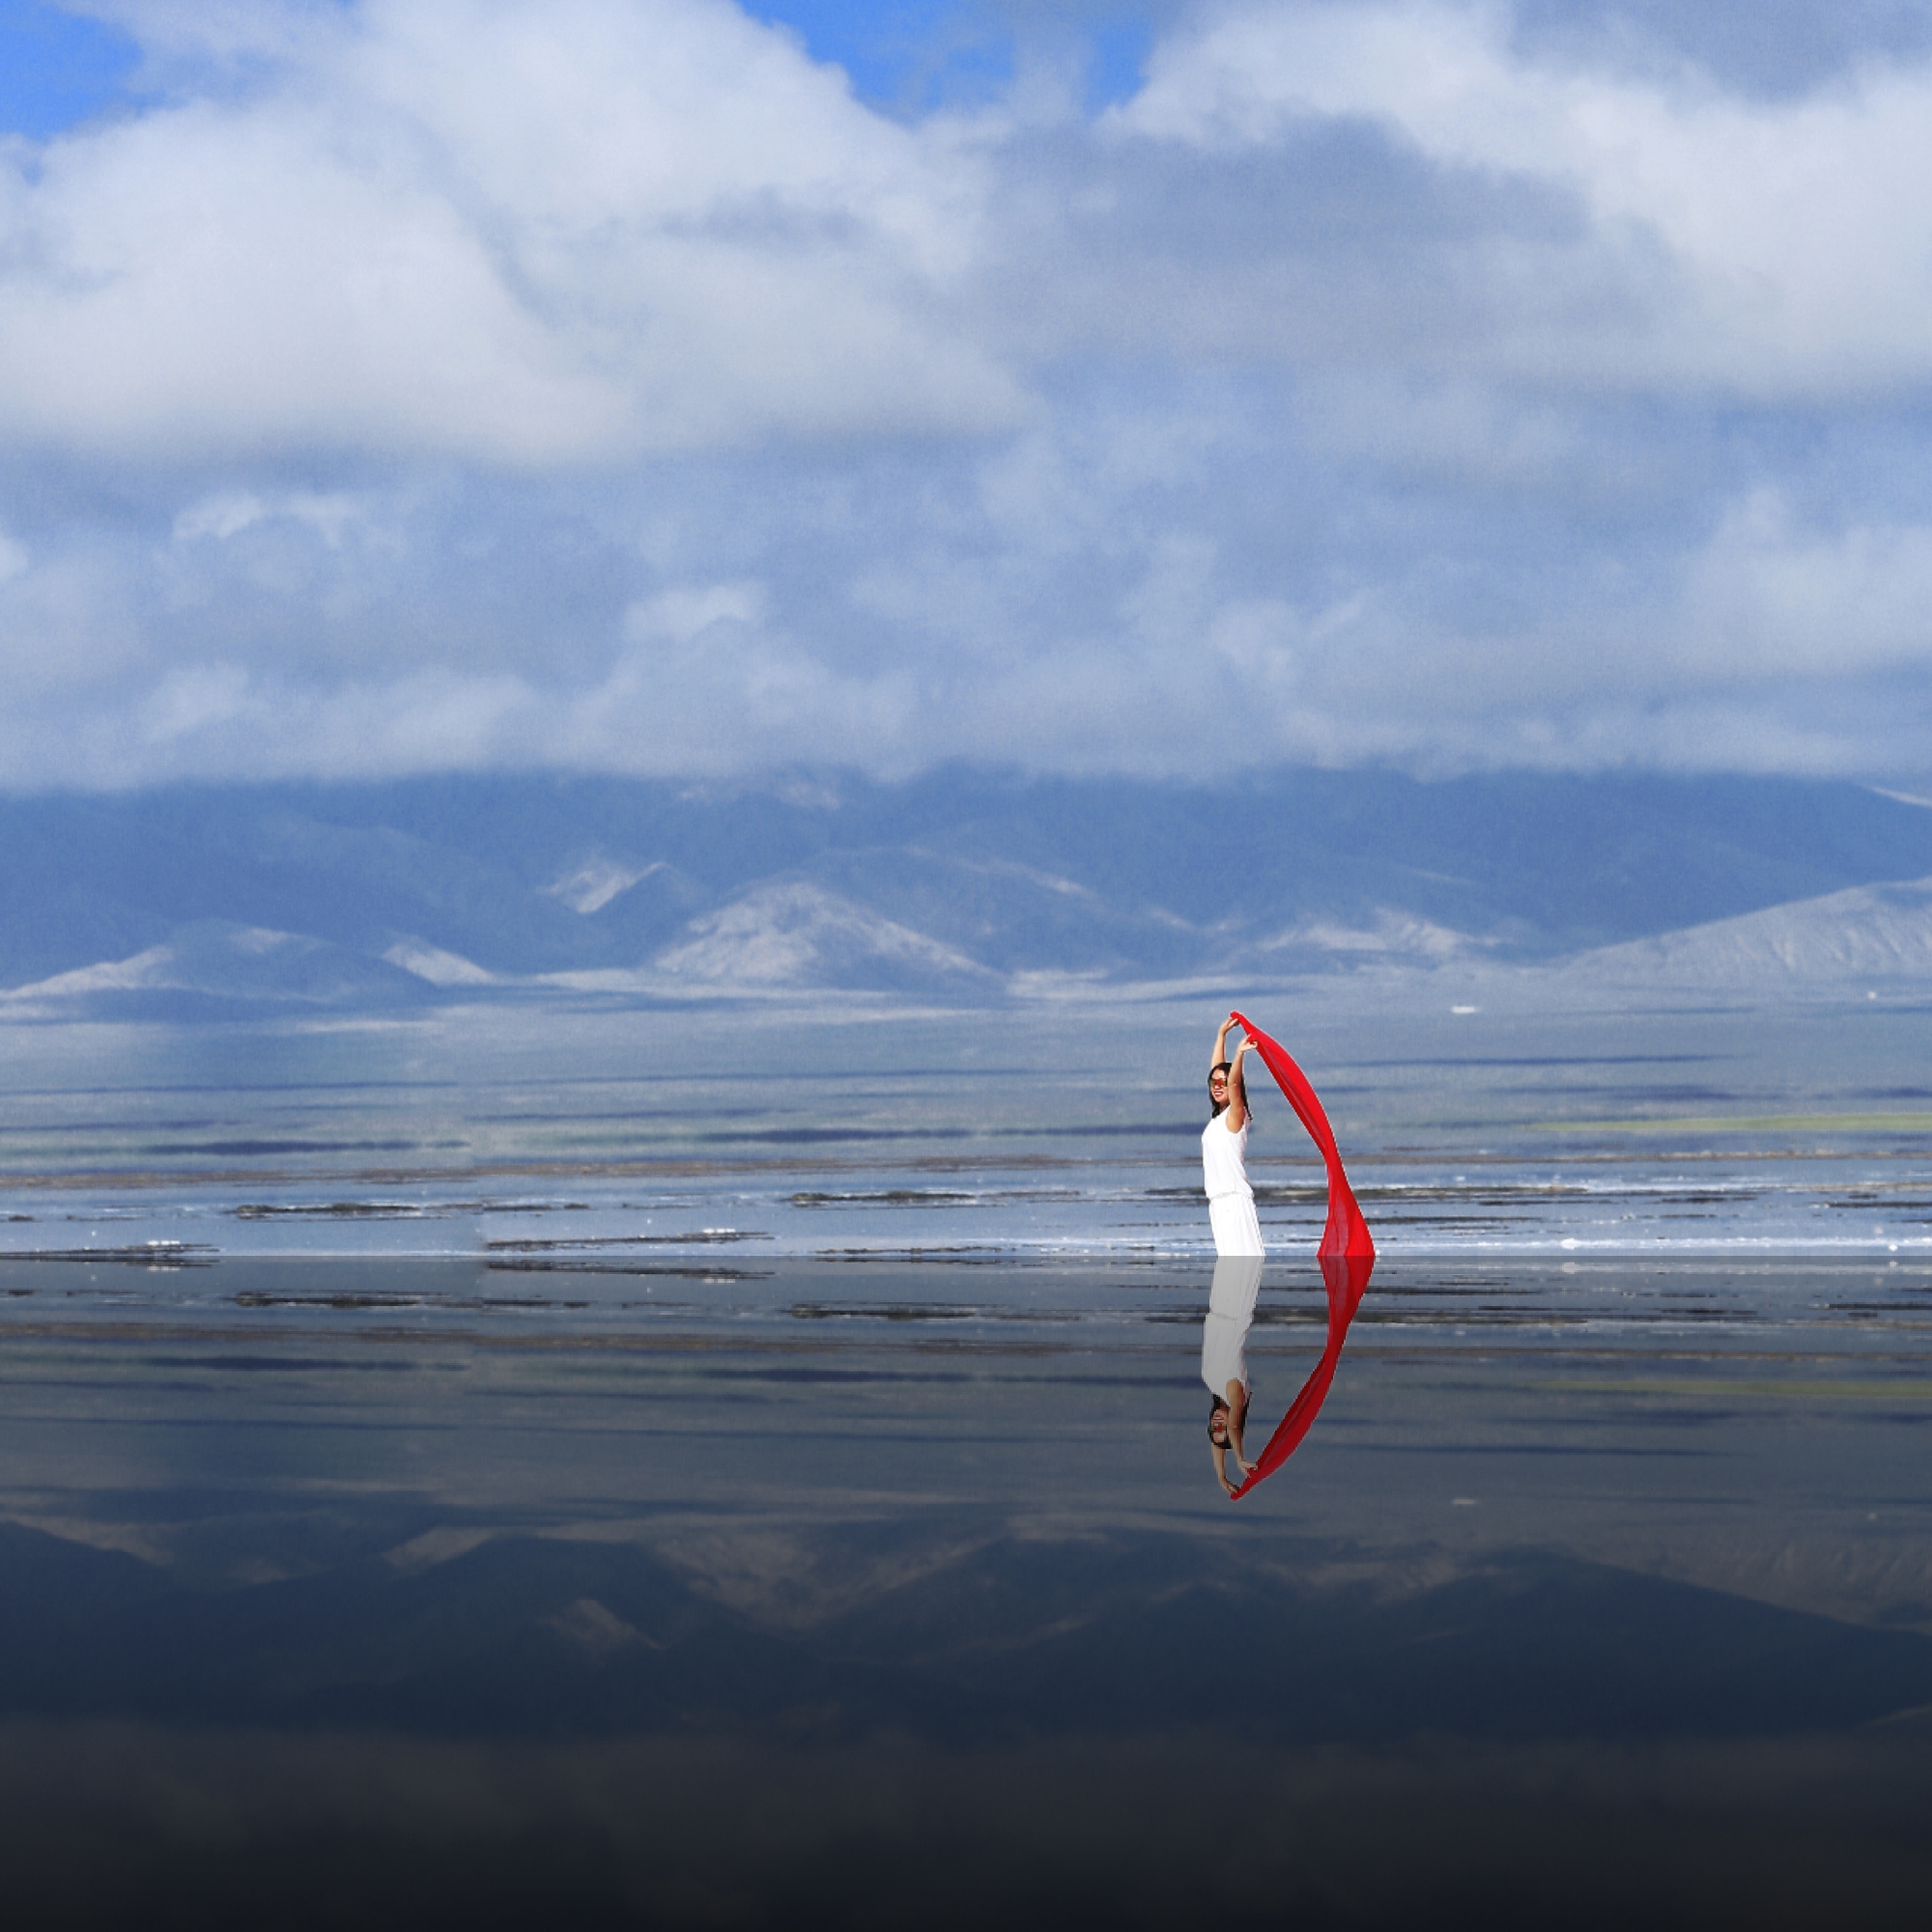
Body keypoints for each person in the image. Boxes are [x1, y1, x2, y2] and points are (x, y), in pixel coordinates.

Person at [1203, 1014, 1263, 1258]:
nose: (1217, 1085)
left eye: (1222, 1083)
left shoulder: (1236, 1115)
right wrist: (1221, 1036)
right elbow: (1219, 1073)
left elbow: (1235, 1084)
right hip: (1218, 1204)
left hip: (1235, 1203)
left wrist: (1239, 1055)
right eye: (1213, 1082)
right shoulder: (1218, 1117)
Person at [1204, 1252, 1262, 1493]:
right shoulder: (1235, 1392)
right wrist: (1239, 1457)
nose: (1218, 1425)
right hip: (1237, 1306)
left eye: (1213, 1429)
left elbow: (1218, 1443)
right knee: (1248, 1251)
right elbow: (1235, 1427)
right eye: (1223, 1429)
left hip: (1218, 1305)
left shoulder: (1214, 1385)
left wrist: (1221, 1475)